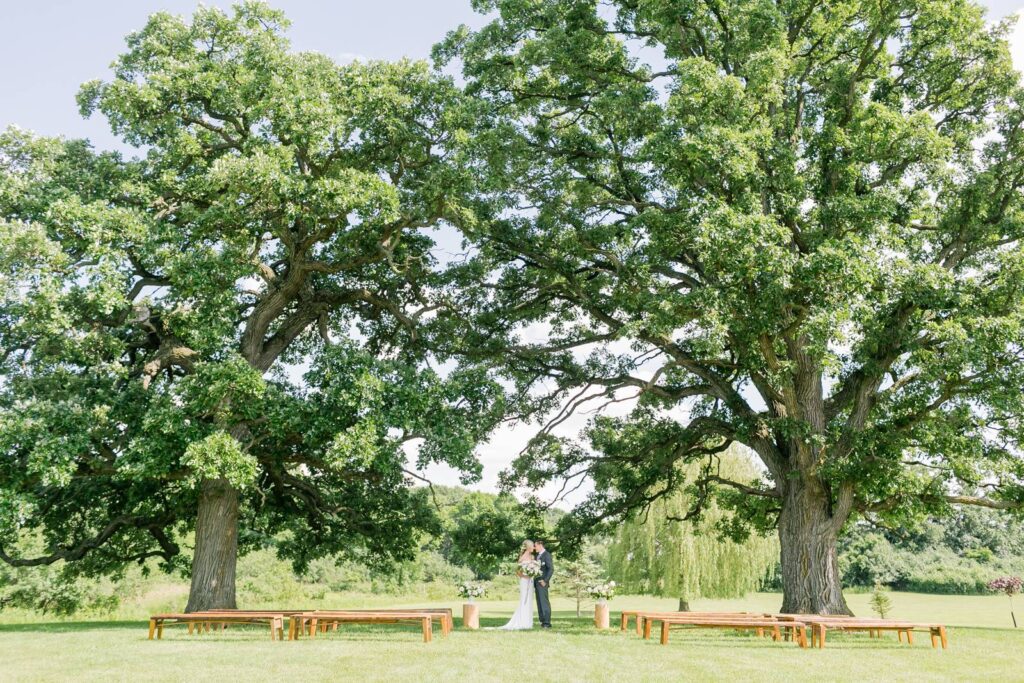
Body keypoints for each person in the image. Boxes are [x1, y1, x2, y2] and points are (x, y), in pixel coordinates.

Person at [496, 539, 536, 630]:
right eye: (532, 546)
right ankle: (522, 621)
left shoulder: (532, 557)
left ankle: (528, 622)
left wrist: (533, 573)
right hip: (524, 581)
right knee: (524, 600)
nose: (534, 547)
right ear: (529, 547)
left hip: (530, 581)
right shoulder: (522, 558)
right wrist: (526, 577)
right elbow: (518, 572)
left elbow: (533, 569)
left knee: (529, 600)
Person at [534, 539, 554, 628]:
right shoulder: (537, 556)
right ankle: (542, 621)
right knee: (539, 603)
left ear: (540, 545)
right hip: (536, 583)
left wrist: (545, 581)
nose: (534, 548)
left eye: (535, 546)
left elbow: (551, 569)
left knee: (544, 602)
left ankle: (547, 623)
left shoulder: (547, 555)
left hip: (543, 583)